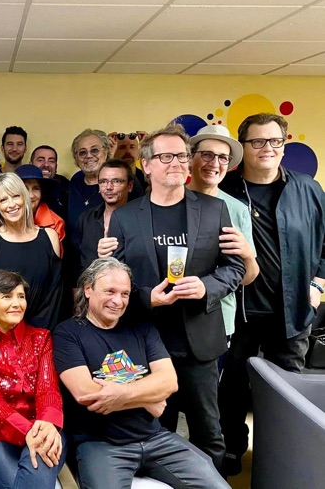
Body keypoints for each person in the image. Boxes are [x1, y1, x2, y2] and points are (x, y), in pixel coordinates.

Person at [102, 123, 245, 471]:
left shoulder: (214, 210)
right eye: (166, 157)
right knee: (153, 433)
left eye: (182, 156)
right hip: (146, 343)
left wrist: (207, 287)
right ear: (146, 166)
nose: (177, 163)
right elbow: (113, 280)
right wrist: (146, 298)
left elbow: (235, 267)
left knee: (208, 434)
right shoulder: (124, 217)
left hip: (200, 343)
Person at [53, 258, 230, 489]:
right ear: (88, 289)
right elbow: (86, 394)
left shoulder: (142, 327)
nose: (118, 301)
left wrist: (120, 394)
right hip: (102, 445)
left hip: (156, 439)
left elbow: (169, 382)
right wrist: (149, 400)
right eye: (110, 291)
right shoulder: (67, 333)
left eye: (125, 294)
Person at [218, 112, 325, 475]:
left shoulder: (308, 190)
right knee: (232, 387)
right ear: (242, 146)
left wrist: (317, 285)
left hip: (292, 311)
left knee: (288, 390)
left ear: (284, 144)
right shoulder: (224, 189)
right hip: (238, 311)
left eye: (275, 141)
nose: (268, 148)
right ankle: (232, 449)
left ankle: (284, 455)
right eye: (258, 141)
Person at [0, 269, 65, 489]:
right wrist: (27, 431)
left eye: (21, 296)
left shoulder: (42, 338)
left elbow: (48, 390)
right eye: (7, 296)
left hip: (44, 429)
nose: (16, 303)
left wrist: (47, 425)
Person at [186, 125, 259, 338]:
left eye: (223, 158)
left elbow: (247, 278)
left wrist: (247, 254)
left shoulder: (237, 209)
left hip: (218, 320)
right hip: (170, 317)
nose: (215, 163)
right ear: (190, 158)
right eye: (207, 155)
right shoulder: (169, 201)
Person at [0, 173, 62, 336]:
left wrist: (36, 340)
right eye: (3, 200)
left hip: (40, 338)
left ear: (25, 197)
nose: (11, 204)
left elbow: (54, 295)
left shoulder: (50, 237)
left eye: (15, 196)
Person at [68, 129, 144, 235]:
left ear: (106, 152)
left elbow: (141, 217)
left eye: (94, 150)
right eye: (82, 152)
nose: (89, 156)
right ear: (76, 158)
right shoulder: (75, 180)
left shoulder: (125, 180)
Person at [76, 159, 133, 278]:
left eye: (116, 181)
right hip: (91, 286)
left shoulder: (140, 220)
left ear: (130, 186)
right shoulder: (86, 219)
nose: (108, 187)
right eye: (103, 182)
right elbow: (77, 263)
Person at [15, 164, 65, 244]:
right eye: (25, 189)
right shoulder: (3, 216)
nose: (31, 195)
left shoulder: (55, 223)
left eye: (36, 188)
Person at [29, 145, 69, 219]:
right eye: (40, 160)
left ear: (56, 167)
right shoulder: (21, 185)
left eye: (51, 161)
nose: (46, 164)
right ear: (30, 165)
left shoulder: (65, 187)